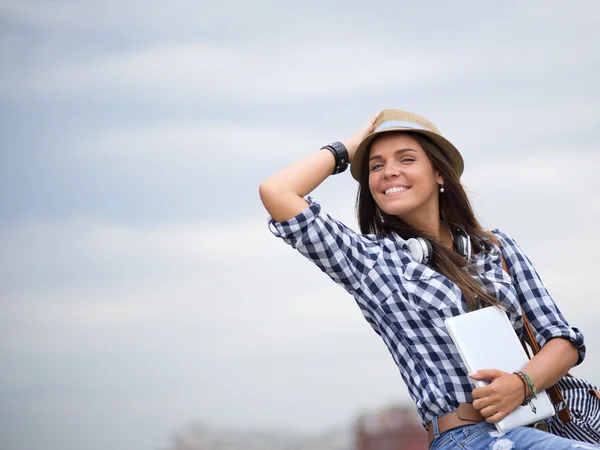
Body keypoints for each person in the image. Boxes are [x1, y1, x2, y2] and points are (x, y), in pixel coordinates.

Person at [258, 109, 597, 449]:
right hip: (465, 437)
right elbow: (277, 191)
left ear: (438, 173)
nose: (389, 171)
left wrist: (521, 384)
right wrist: (347, 148)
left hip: (537, 425)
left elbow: (562, 340)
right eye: (376, 165)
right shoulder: (370, 263)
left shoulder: (497, 248)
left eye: (406, 159)